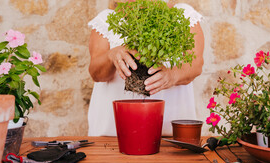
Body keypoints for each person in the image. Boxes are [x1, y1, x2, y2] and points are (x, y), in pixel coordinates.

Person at [87, 0, 205, 136]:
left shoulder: (183, 15)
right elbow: (96, 73)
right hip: (112, 133)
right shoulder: (107, 20)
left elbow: (196, 64)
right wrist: (111, 55)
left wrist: (172, 76)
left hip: (172, 133)